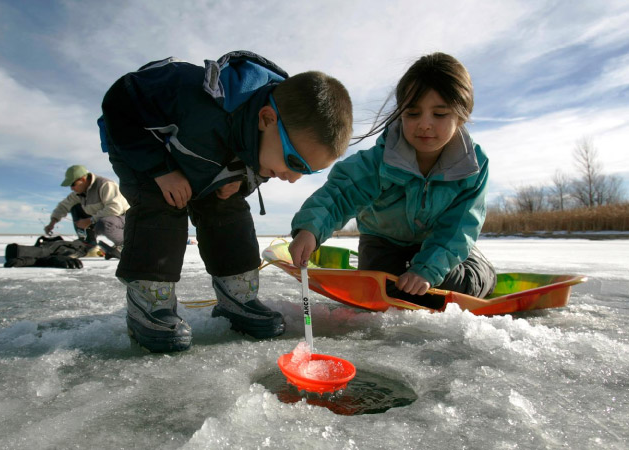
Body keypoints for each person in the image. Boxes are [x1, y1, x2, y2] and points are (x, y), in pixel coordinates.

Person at [99, 51, 353, 352]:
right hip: (145, 154)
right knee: (163, 209)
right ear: (267, 119)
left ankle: (238, 297)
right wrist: (161, 170)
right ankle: (151, 304)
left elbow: (261, 163)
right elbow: (120, 99)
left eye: (309, 171)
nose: (293, 178)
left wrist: (243, 182)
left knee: (229, 211)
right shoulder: (192, 95)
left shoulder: (270, 136)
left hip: (208, 166)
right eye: (294, 162)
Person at [289, 52, 496, 307]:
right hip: (382, 240)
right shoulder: (380, 160)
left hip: (437, 241)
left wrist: (427, 271)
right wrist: (310, 229)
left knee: (455, 287)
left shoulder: (472, 165)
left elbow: (460, 225)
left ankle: (480, 268)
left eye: (439, 114)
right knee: (381, 290)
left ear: (462, 115)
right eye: (413, 113)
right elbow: (340, 194)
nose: (425, 124)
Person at [44, 165, 129, 258]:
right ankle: (88, 244)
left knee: (105, 223)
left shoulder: (105, 184)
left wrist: (89, 221)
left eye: (73, 184)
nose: (71, 188)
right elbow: (64, 205)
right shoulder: (79, 193)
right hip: (99, 219)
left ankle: (125, 245)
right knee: (74, 206)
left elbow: (115, 208)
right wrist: (53, 222)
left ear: (83, 180)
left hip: (125, 218)